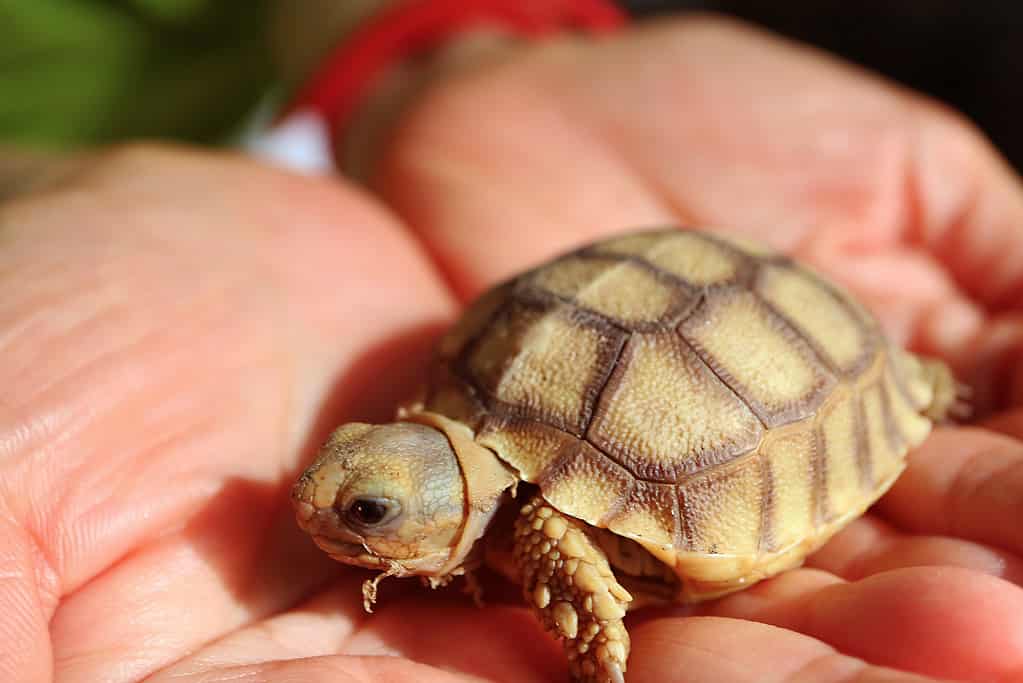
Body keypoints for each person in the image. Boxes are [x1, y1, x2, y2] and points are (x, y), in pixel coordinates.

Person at [2, 15, 1023, 683]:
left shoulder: (535, 518)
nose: (324, 510)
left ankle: (907, 386)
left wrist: (432, 53)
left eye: (367, 512)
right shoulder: (465, 376)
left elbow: (554, 531)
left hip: (777, 335)